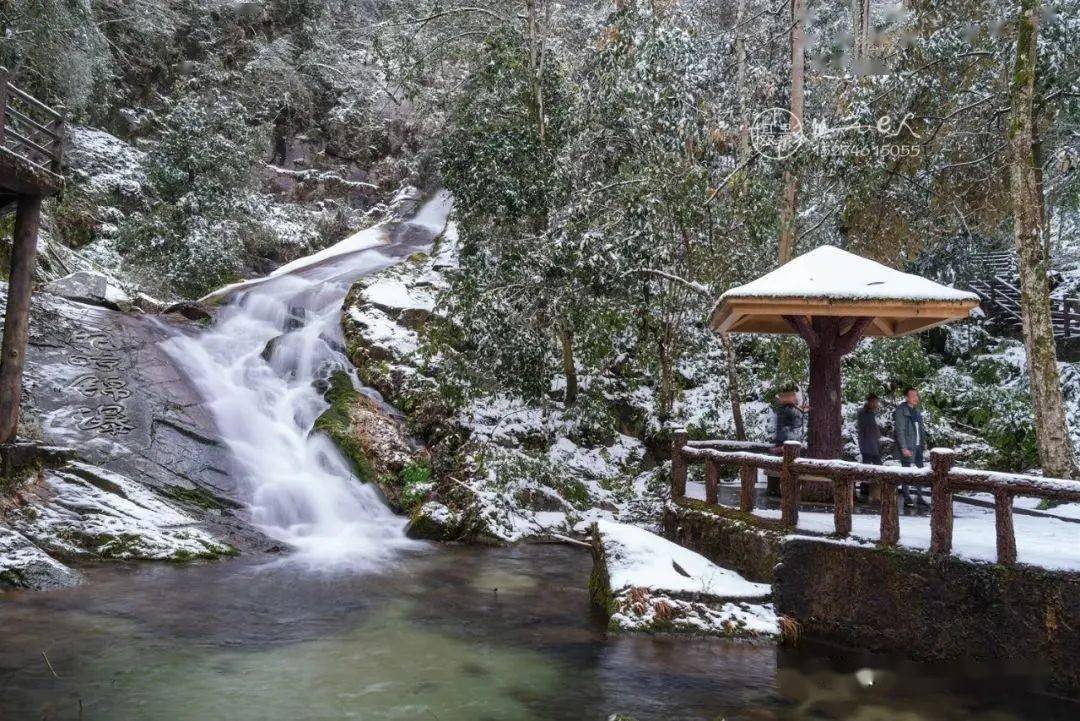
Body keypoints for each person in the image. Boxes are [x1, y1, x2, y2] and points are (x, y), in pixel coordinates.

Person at [893, 386, 928, 508]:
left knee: (920, 472)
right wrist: (903, 448)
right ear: (906, 397)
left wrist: (923, 444)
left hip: (918, 446)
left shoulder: (917, 411)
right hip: (907, 446)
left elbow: (920, 429)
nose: (915, 398)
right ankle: (907, 496)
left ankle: (919, 496)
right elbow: (900, 431)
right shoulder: (901, 411)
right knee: (906, 472)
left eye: (916, 395)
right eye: (912, 396)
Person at [856, 394, 882, 498]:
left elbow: (871, 428)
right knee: (872, 465)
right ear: (870, 402)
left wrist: (877, 434)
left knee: (870, 465)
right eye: (875, 402)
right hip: (867, 444)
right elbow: (865, 429)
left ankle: (866, 486)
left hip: (871, 443)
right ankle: (866, 486)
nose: (876, 404)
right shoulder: (864, 413)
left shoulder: (870, 413)